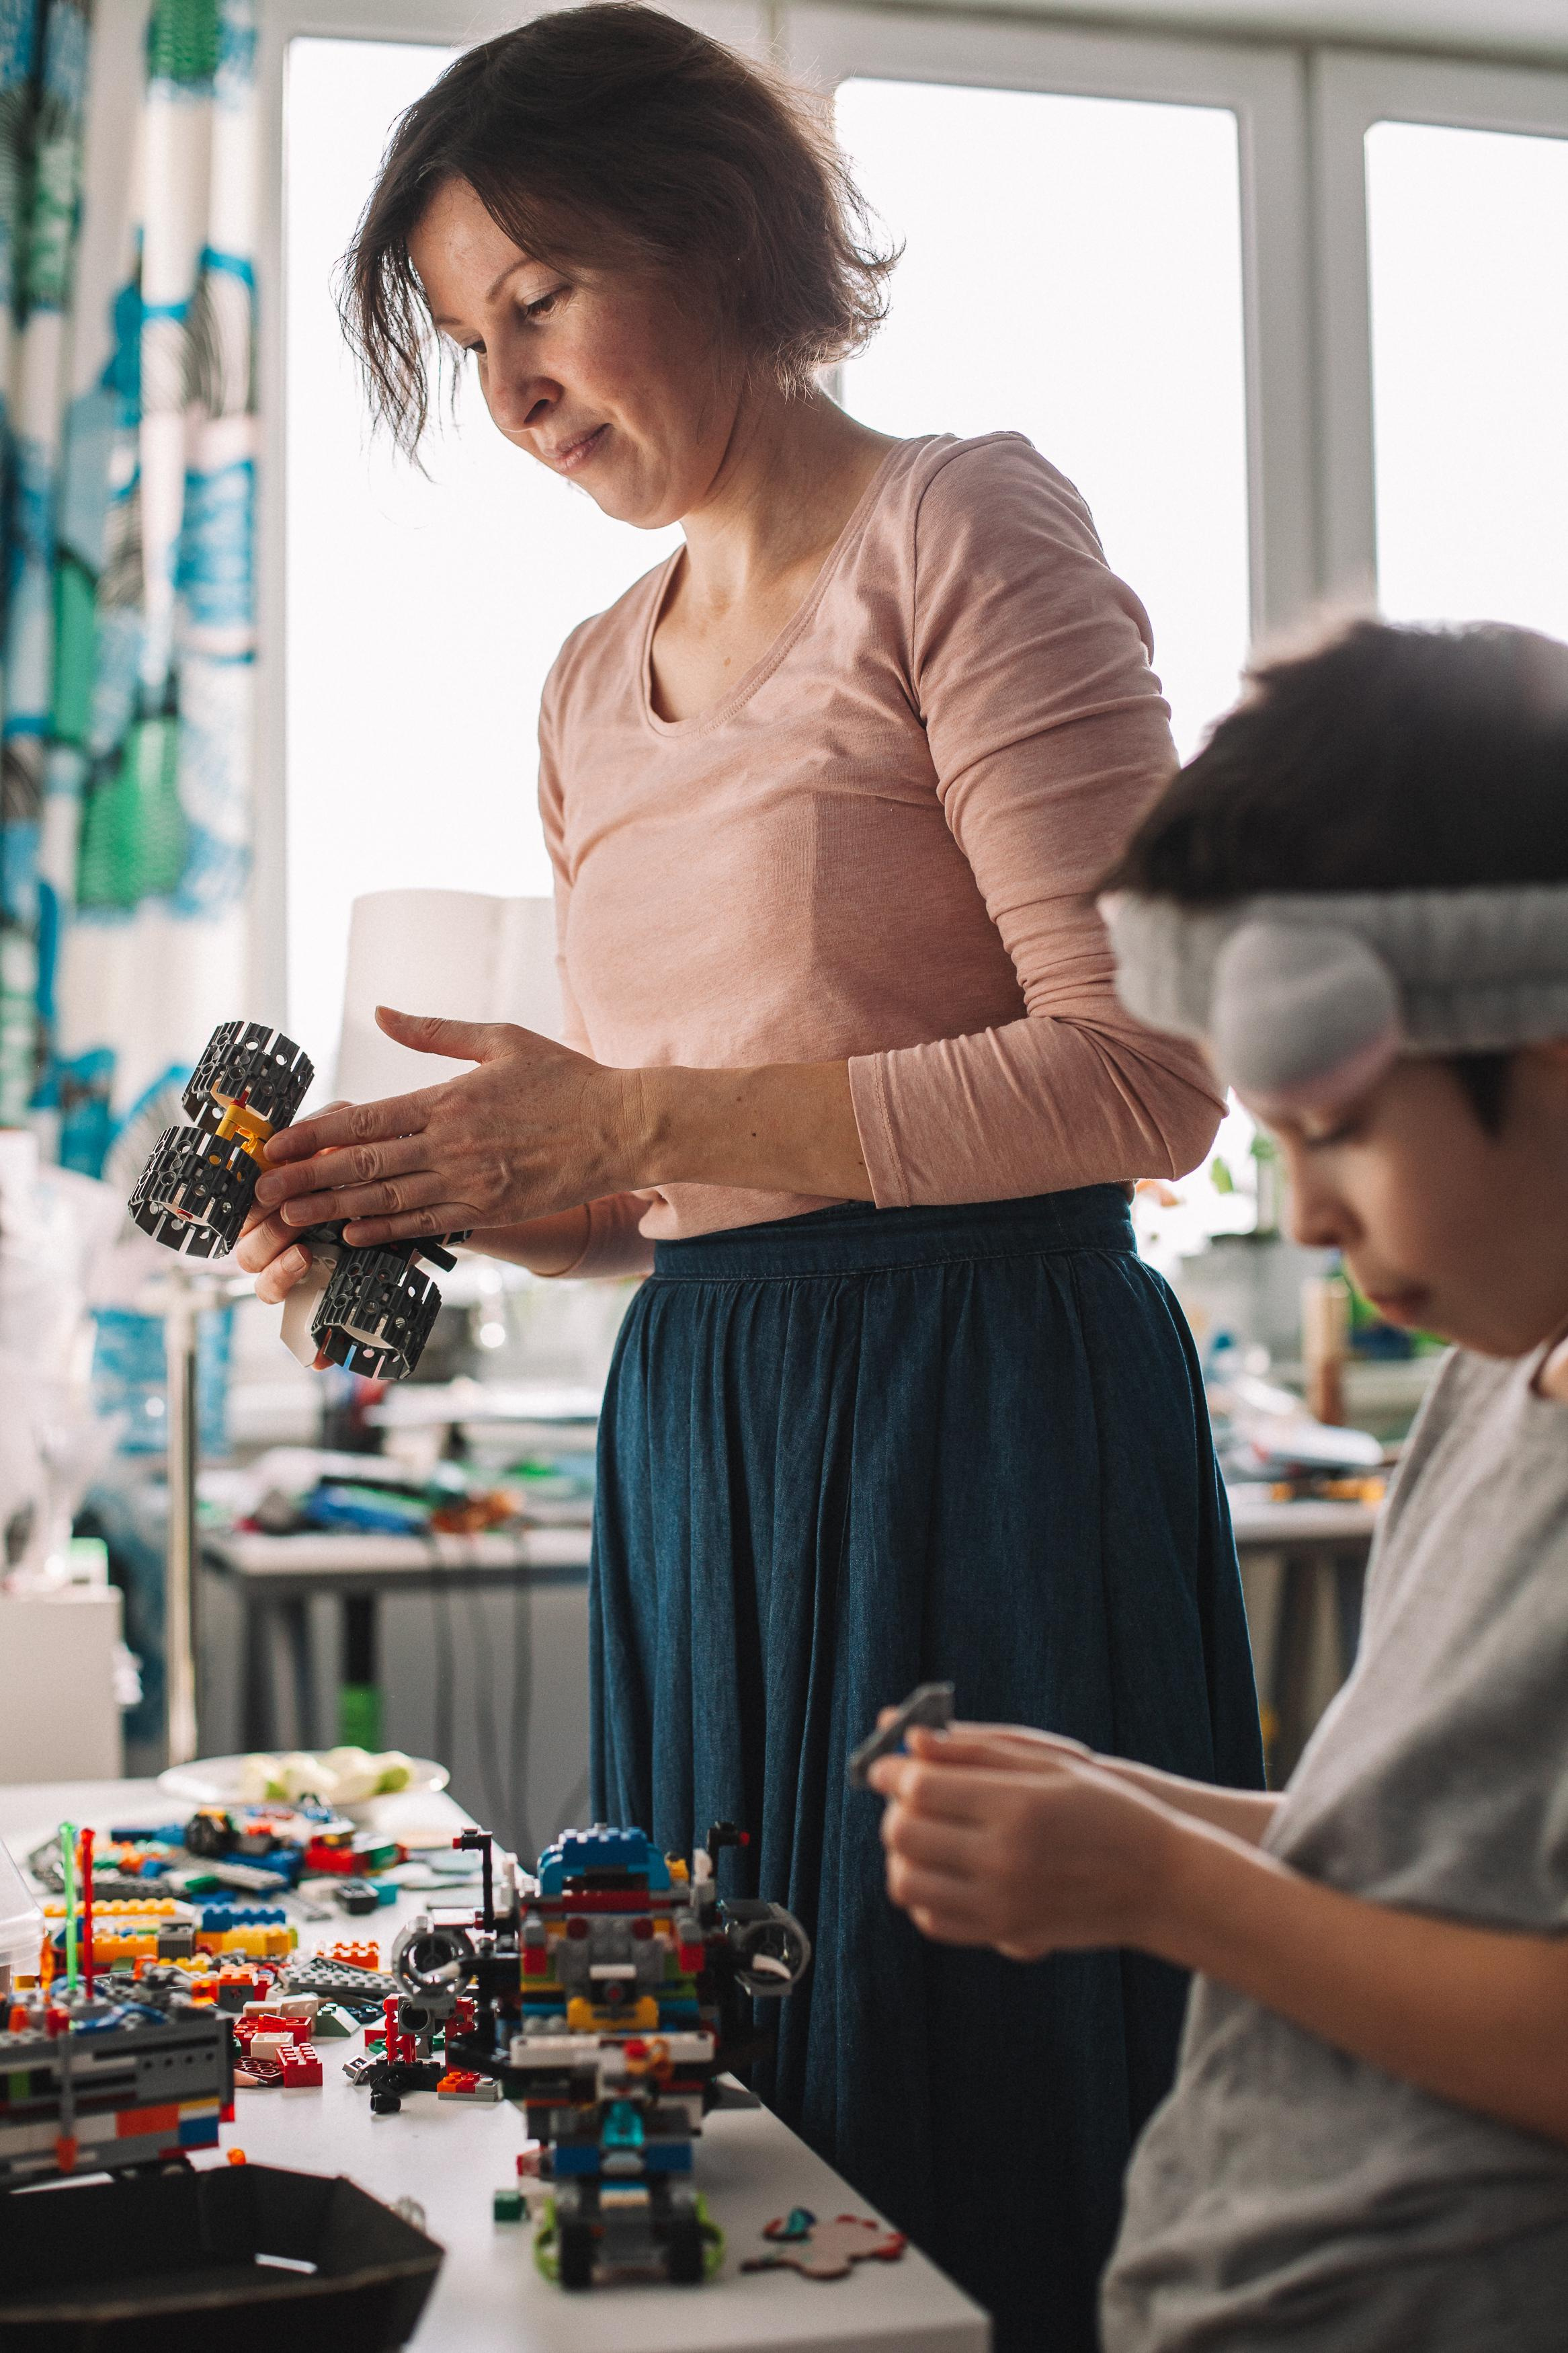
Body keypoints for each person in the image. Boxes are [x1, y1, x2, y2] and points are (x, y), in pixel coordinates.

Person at [237, 9, 1262, 2338]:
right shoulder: (588, 682)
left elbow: (1147, 1076)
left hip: (980, 1423)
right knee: (720, 2084)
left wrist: (630, 1117)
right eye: (467, 342)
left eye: (540, 300)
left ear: (715, 237)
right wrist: (433, 1188)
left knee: (973, 2075)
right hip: (707, 1430)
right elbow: (669, 1200)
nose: (512, 392)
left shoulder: (959, 527)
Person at [868, 617, 1568, 2350]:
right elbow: (1421, 1872)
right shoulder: (1497, 1382)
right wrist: (1130, 1812)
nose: (1307, 1218)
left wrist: (1164, 1890)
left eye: (1337, 1134)